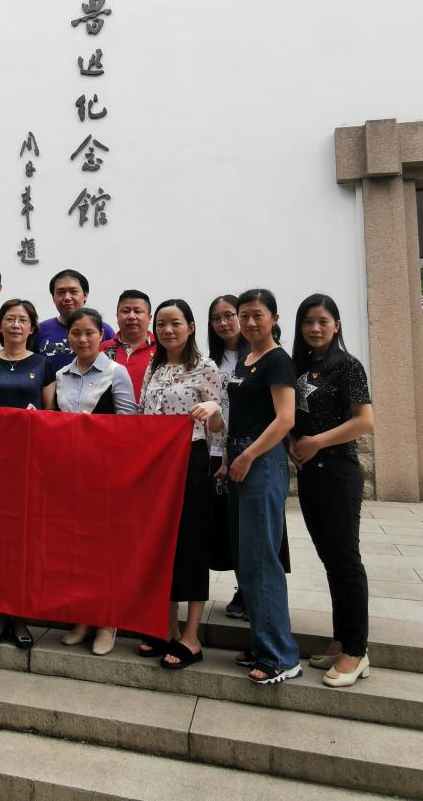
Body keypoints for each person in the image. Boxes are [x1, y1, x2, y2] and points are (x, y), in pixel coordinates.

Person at [291, 294, 373, 688]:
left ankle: (357, 651)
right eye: (308, 321)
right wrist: (295, 444)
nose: (315, 328)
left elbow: (365, 421)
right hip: (311, 474)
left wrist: (316, 442)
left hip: (339, 472)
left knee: (345, 560)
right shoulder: (303, 367)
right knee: (330, 560)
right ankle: (342, 640)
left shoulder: (347, 365)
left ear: (336, 324)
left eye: (323, 321)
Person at [140, 300, 223, 668]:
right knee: (163, 543)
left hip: (191, 459)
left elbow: (219, 426)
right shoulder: (153, 367)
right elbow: (143, 415)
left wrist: (214, 411)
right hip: (157, 463)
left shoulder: (206, 367)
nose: (168, 330)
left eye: (175, 323)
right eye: (161, 324)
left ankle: (191, 635)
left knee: (191, 543)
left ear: (191, 327)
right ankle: (167, 625)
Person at [0, 298, 56, 649]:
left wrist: (39, 418)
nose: (16, 325)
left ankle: (20, 615)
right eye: (10, 319)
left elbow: (52, 416)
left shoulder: (43, 364)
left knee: (23, 542)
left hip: (28, 465)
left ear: (32, 327)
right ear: (0, 325)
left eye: (23, 319)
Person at [226, 288, 301, 685]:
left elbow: (285, 419)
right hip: (241, 458)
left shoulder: (277, 360)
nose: (250, 322)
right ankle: (262, 642)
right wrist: (230, 459)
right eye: (244, 315)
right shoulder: (246, 359)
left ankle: (281, 657)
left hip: (262, 461)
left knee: (260, 558)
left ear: (274, 317)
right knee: (246, 559)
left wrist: (248, 456)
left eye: (258, 315)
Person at [55, 307, 136, 655]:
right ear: (68, 337)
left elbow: (130, 424)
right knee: (78, 549)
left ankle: (108, 621)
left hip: (106, 474)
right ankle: (84, 617)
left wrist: (97, 426)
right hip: (70, 474)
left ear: (101, 336)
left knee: (106, 550)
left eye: (90, 332)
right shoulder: (61, 374)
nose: (83, 339)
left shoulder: (117, 373)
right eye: (76, 333)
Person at [206, 295, 250, 620]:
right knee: (227, 526)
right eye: (216, 318)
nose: (223, 323)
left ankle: (251, 591)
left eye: (229, 315)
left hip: (248, 450)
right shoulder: (210, 361)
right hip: (215, 450)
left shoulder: (258, 356)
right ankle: (242, 587)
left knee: (250, 526)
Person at [38, 269, 114, 371]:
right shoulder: (40, 330)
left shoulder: (103, 329)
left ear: (85, 295)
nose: (67, 298)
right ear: (53, 297)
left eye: (73, 292)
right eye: (61, 292)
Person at [101, 289, 155, 402]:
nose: (131, 316)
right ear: (117, 316)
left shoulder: (163, 350)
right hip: (110, 413)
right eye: (126, 311)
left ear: (149, 318)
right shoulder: (101, 350)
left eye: (138, 311)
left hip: (150, 413)